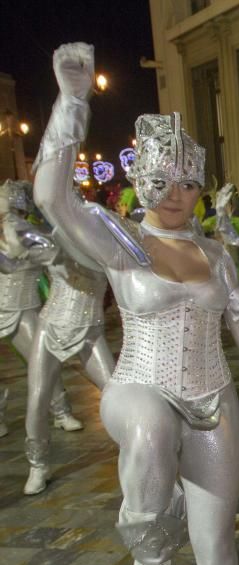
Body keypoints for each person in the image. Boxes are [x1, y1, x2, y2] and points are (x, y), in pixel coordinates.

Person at [33, 43, 239, 565]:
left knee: (216, 544)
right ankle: (151, 554)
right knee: (153, 426)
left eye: (188, 182)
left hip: (213, 399)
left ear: (202, 187)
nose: (175, 193)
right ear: (140, 181)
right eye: (161, 180)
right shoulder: (122, 242)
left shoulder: (215, 255)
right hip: (139, 386)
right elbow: (54, 199)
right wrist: (72, 103)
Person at [22, 201, 116, 495]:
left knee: (118, 394)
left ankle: (143, 453)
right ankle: (38, 465)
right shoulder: (53, 239)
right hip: (50, 326)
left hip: (89, 332)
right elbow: (16, 260)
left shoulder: (108, 248)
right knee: (37, 397)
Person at [0, 180, 83, 440]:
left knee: (43, 363)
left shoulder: (32, 232)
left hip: (23, 308)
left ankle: (61, 412)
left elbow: (54, 255)